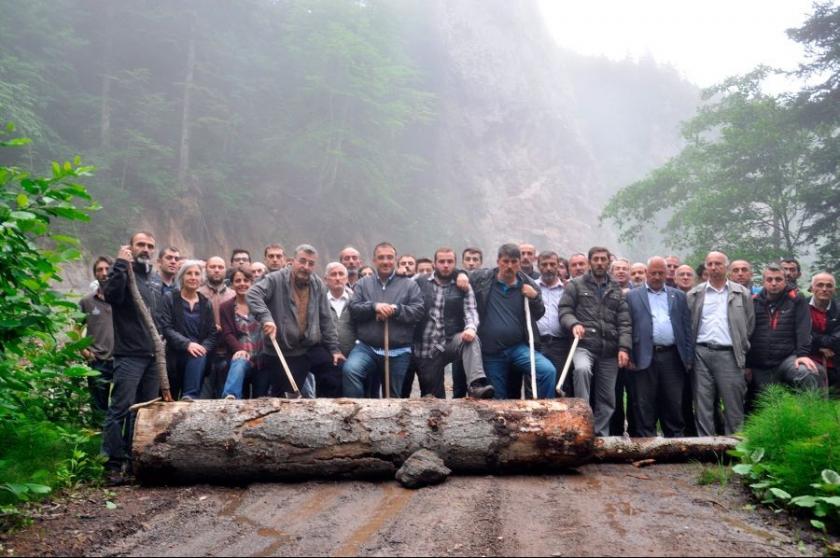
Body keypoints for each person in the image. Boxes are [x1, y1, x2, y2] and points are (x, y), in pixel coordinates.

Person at [102, 232, 166, 482]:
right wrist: (120, 264)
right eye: (141, 245)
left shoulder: (152, 279)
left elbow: (157, 315)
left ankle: (136, 460)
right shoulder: (123, 273)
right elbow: (111, 296)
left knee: (143, 412)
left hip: (152, 355)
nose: (146, 249)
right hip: (129, 354)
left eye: (150, 246)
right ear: (129, 247)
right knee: (120, 408)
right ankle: (112, 464)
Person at [247, 245, 344, 397]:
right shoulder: (275, 279)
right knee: (286, 396)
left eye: (310, 263)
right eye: (302, 261)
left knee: (333, 371)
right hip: (282, 350)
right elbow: (252, 294)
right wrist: (266, 319)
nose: (306, 267)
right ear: (292, 261)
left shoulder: (317, 284)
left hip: (308, 346)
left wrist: (334, 349)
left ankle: (325, 414)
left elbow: (326, 318)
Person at [559, 246, 632, 436]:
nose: (600, 263)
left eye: (603, 259)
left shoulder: (616, 288)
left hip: (609, 349)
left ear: (609, 262)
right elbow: (564, 310)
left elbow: (624, 321)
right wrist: (573, 323)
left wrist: (624, 347)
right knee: (582, 370)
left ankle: (600, 435)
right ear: (590, 262)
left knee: (607, 397)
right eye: (596, 259)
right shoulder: (575, 285)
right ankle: (582, 424)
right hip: (584, 345)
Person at [470, 244, 556, 399]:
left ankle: (544, 411)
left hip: (518, 348)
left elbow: (539, 313)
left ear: (519, 263)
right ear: (498, 261)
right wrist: (460, 276)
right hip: (491, 351)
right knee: (497, 398)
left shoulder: (528, 284)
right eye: (505, 261)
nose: (509, 266)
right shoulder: (482, 279)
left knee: (547, 371)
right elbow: (462, 274)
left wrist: (534, 297)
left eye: (514, 262)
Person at [343, 243, 425, 397]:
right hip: (367, 348)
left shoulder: (409, 285)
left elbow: (418, 311)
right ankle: (357, 412)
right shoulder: (363, 283)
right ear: (374, 260)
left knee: (392, 396)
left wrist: (395, 310)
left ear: (395, 260)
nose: (386, 261)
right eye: (381, 257)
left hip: (398, 350)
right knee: (350, 370)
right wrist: (374, 307)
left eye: (389, 257)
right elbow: (354, 308)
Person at [686, 251, 754, 436]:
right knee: (703, 404)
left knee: (733, 403)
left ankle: (735, 448)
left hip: (730, 354)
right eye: (710, 264)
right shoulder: (695, 294)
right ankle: (706, 447)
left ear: (727, 267)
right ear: (706, 267)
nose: (714, 267)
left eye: (718, 263)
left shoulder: (742, 293)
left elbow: (749, 325)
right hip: (701, 352)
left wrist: (739, 344)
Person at [626, 257, 694, 437]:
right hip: (644, 356)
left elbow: (686, 328)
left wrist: (688, 357)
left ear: (667, 274)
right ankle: (646, 443)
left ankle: (675, 443)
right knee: (644, 403)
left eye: (660, 273)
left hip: (672, 357)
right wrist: (630, 354)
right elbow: (627, 327)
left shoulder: (678, 296)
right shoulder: (632, 296)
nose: (656, 277)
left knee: (673, 402)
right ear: (647, 273)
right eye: (653, 273)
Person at [413, 248, 494, 399]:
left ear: (455, 264)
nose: (445, 265)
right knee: (433, 399)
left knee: (471, 339)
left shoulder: (463, 285)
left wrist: (471, 328)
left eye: (449, 262)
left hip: (450, 340)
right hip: (426, 348)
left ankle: (476, 385)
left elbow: (471, 311)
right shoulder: (419, 282)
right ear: (434, 263)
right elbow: (403, 287)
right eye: (442, 261)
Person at [747, 264, 822, 396]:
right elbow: (746, 334)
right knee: (765, 405)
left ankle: (810, 413)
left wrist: (802, 355)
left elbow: (803, 329)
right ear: (763, 281)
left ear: (785, 280)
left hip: (787, 359)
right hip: (759, 363)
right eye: (769, 280)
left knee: (807, 373)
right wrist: (746, 363)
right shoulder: (753, 302)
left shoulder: (796, 300)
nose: (774, 283)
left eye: (778, 279)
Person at [159, 260, 218, 400]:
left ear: (201, 279)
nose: (193, 277)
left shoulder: (206, 303)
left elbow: (212, 333)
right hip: (174, 357)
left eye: (197, 274)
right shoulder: (170, 298)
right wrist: (187, 344)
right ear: (181, 277)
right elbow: (166, 328)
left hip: (196, 359)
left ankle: (189, 397)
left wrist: (203, 348)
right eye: (189, 273)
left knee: (199, 356)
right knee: (168, 400)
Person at [220, 267, 265, 399]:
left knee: (260, 398)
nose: (242, 284)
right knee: (240, 361)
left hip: (262, 358)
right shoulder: (226, 307)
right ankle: (230, 397)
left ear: (252, 282)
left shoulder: (261, 305)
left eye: (246, 280)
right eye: (238, 281)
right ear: (232, 284)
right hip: (241, 357)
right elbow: (227, 333)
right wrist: (239, 350)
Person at [79, 256, 114, 414]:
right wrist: (83, 350)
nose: (104, 272)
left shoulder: (123, 299)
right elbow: (75, 329)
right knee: (99, 406)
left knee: (121, 404)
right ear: (95, 274)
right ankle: (98, 436)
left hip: (121, 359)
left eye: (107, 269)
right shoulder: (87, 301)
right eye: (100, 269)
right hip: (97, 359)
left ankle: (117, 437)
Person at [536, 251, 572, 397]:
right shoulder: (531, 287)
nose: (548, 268)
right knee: (535, 383)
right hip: (537, 343)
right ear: (538, 266)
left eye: (552, 264)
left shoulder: (568, 289)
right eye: (544, 265)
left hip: (560, 344)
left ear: (558, 266)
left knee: (559, 384)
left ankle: (557, 419)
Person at [199, 256, 235, 398]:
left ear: (225, 270)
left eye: (220, 267)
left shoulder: (233, 294)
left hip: (228, 353)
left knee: (225, 399)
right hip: (205, 353)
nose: (216, 270)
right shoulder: (198, 293)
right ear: (206, 269)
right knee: (203, 399)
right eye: (212, 267)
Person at [809, 272, 840, 394]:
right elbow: (800, 333)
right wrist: (819, 348)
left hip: (835, 359)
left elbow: (837, 338)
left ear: (834, 290)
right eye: (820, 285)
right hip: (809, 358)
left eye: (829, 286)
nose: (824, 289)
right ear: (812, 288)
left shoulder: (839, 309)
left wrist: (815, 339)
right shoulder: (802, 307)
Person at [324, 262, 356, 358]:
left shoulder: (356, 300)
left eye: (341, 274)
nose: (338, 278)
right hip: (326, 353)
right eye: (333, 274)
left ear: (346, 279)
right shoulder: (319, 301)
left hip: (354, 353)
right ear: (326, 279)